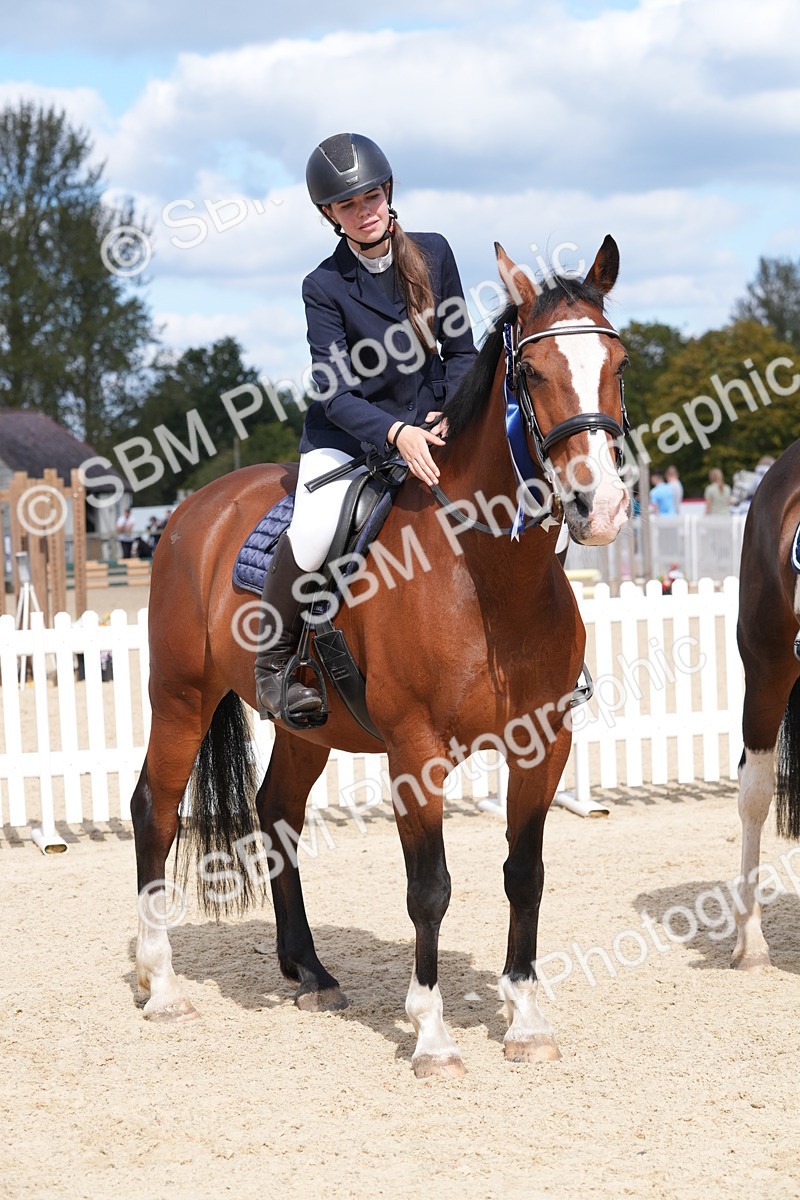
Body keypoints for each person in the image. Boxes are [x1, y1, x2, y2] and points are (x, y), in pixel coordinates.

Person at [254, 132, 477, 719]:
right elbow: (333, 391)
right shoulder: (323, 286)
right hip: (350, 436)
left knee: (515, 487)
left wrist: (445, 416)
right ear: (330, 215)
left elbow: (462, 354)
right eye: (350, 204)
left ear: (389, 192)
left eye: (372, 196)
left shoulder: (435, 254)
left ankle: (552, 653)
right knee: (311, 530)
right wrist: (394, 434)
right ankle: (273, 666)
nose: (366, 210)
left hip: (435, 426)